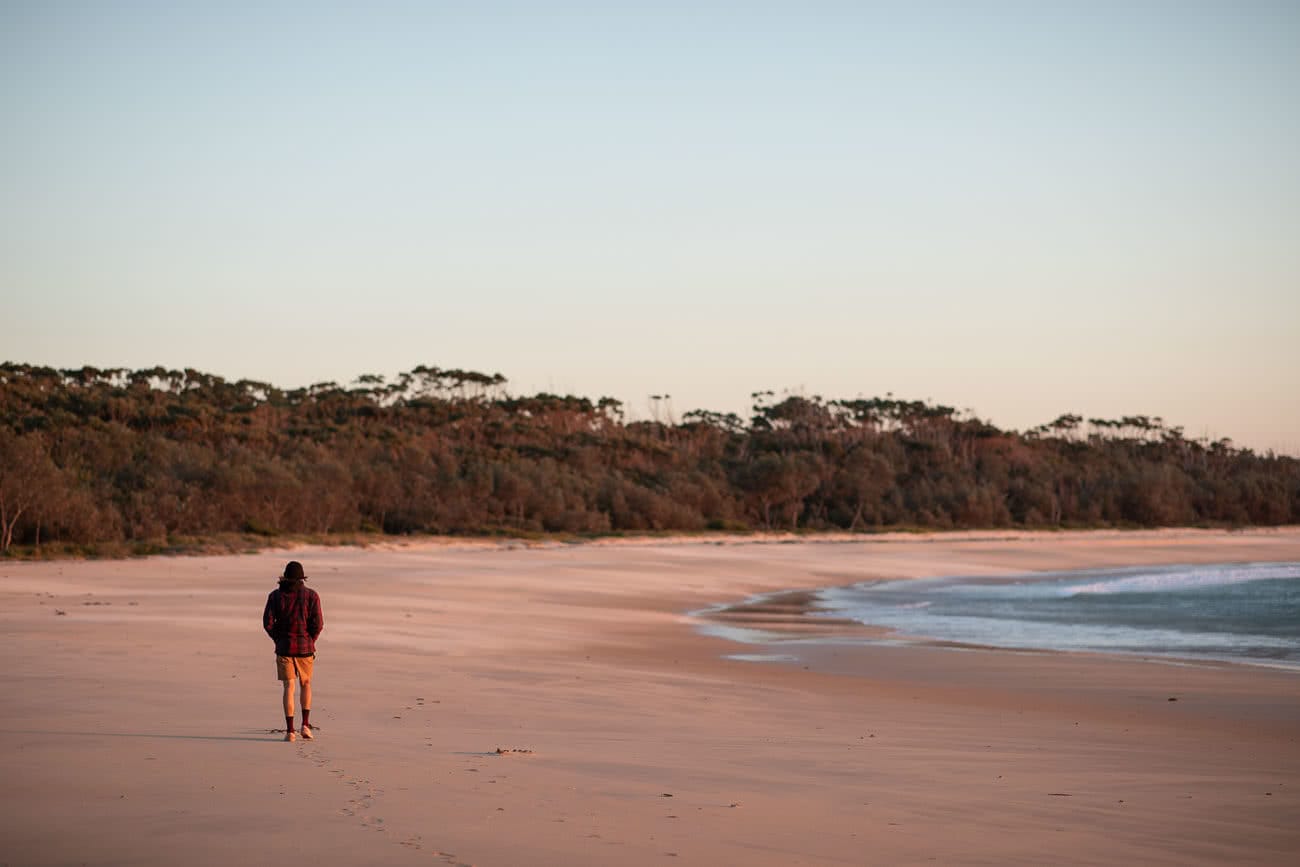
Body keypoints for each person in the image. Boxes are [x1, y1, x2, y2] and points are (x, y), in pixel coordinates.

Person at [262, 560, 324, 742]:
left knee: (289, 687)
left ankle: (290, 731)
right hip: (305, 648)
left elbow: (267, 623)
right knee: (306, 684)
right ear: (302, 578)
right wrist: (311, 640)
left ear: (285, 577)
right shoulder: (312, 596)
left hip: (284, 648)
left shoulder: (275, 596)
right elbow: (318, 624)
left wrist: (278, 639)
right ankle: (305, 725)